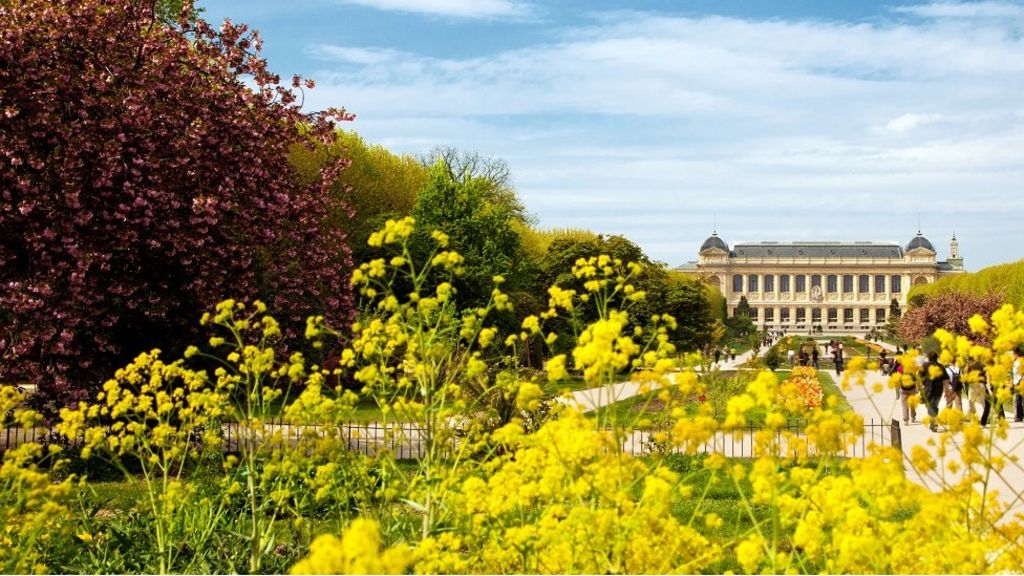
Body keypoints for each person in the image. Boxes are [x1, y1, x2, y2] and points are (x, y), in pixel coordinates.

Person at [923, 352, 948, 432]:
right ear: (937, 358)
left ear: (928, 358)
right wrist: (947, 390)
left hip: (928, 389)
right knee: (934, 406)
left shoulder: (925, 365)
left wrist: (918, 387)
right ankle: (933, 423)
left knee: (929, 406)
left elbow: (918, 375)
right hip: (939, 389)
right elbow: (945, 379)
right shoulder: (941, 366)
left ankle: (933, 424)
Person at [895, 359, 917, 425]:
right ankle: (913, 417)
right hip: (912, 388)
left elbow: (898, 379)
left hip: (903, 388)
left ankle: (906, 420)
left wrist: (897, 391)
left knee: (904, 405)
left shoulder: (899, 368)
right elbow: (915, 378)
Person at [1014, 347, 1024, 422]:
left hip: (1021, 381)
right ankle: (1019, 416)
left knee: (1020, 400)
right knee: (1018, 400)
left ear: (1016, 353)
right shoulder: (1015, 361)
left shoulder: (1021, 361)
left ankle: (1020, 416)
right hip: (1016, 382)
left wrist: (1022, 380)